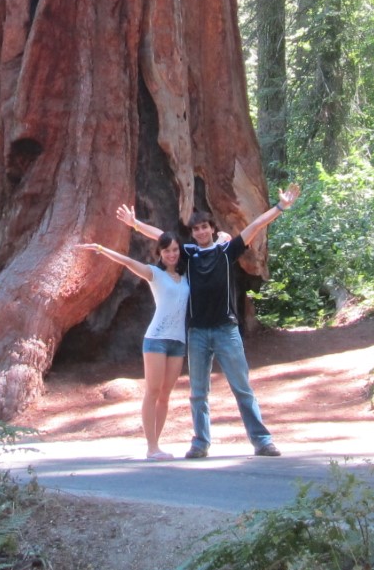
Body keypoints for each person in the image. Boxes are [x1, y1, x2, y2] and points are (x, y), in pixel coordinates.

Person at [117, 186, 300, 458]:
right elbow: (161, 236)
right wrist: (134, 224)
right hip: (198, 333)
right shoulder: (188, 255)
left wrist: (280, 207)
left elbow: (255, 226)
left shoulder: (227, 250)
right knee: (198, 392)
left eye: (205, 227)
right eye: (196, 229)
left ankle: (261, 440)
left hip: (226, 330)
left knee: (242, 388)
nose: (201, 232)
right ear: (192, 234)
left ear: (212, 229)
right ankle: (200, 443)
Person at [76, 232, 191, 460]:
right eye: (166, 250)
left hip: (178, 341)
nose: (172, 254)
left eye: (175, 250)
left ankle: (157, 445)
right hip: (156, 339)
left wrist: (222, 240)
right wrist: (102, 248)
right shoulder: (155, 274)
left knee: (166, 394)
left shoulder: (186, 277)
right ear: (160, 253)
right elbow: (128, 262)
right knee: (153, 390)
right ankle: (151, 446)